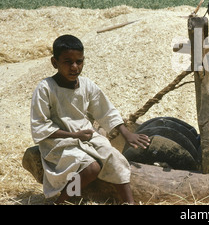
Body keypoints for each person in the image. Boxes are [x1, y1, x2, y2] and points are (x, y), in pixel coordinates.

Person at [30, 34, 150, 204]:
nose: (74, 67)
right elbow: (40, 126)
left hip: (86, 137)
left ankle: (129, 203)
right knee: (91, 167)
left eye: (79, 61)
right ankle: (62, 201)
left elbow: (106, 110)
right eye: (68, 62)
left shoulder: (87, 85)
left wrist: (126, 134)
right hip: (58, 142)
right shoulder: (45, 88)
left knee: (115, 158)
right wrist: (74, 136)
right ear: (54, 63)